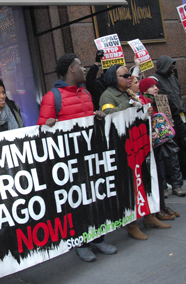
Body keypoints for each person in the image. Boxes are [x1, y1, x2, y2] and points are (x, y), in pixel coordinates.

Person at [39, 53, 113, 263]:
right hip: (68, 163)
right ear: (71, 69)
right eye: (80, 65)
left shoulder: (86, 94)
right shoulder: (51, 98)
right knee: (76, 204)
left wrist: (98, 117)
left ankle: (99, 238)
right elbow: (40, 133)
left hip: (91, 157)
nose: (84, 68)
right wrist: (48, 127)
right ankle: (80, 242)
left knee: (95, 198)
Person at [139, 77, 183, 216]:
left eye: (156, 86)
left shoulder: (162, 99)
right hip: (152, 141)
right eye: (152, 86)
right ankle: (159, 205)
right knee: (157, 170)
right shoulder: (141, 101)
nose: (156, 88)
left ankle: (164, 204)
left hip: (164, 138)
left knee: (168, 163)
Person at [153, 55, 186, 180]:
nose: (173, 67)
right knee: (172, 146)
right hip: (168, 116)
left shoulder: (173, 79)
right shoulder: (156, 80)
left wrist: (183, 112)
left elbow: (178, 96)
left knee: (184, 142)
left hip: (179, 114)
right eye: (170, 65)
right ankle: (174, 174)